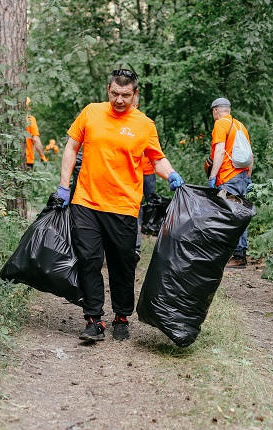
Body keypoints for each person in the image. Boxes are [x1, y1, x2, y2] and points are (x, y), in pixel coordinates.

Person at [56, 69, 184, 342]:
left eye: (126, 95)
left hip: (124, 205)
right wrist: (64, 186)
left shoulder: (144, 125)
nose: (119, 100)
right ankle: (93, 319)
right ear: (108, 90)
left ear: (135, 95)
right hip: (86, 201)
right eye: (115, 93)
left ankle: (121, 317)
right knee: (89, 260)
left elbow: (157, 158)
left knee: (122, 264)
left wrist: (170, 173)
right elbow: (71, 147)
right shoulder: (91, 112)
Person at [207, 97, 254, 268]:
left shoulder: (220, 124)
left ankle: (235, 256)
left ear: (215, 111)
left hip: (227, 177)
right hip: (241, 177)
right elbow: (250, 156)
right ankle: (240, 254)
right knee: (240, 214)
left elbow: (219, 152)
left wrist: (212, 177)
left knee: (227, 216)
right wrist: (248, 177)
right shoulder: (240, 126)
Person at [133, 93, 156, 263]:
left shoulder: (146, 123)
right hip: (130, 173)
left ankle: (148, 228)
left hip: (147, 171)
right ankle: (134, 247)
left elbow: (154, 152)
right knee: (135, 206)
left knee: (149, 203)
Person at [24, 97, 47, 169]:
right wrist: (42, 155)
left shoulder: (8, 119)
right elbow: (36, 139)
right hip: (27, 159)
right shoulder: (30, 119)